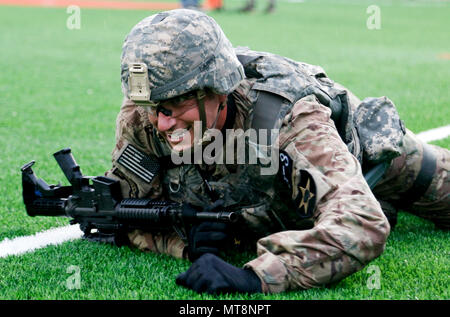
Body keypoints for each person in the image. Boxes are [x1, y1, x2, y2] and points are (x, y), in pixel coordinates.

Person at [104, 9, 449, 294]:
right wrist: (183, 242)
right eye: (151, 106)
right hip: (283, 205)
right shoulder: (143, 118)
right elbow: (128, 214)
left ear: (218, 88)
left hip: (372, 159)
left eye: (176, 103)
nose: (162, 123)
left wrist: (255, 277)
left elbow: (361, 223)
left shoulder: (287, 118)